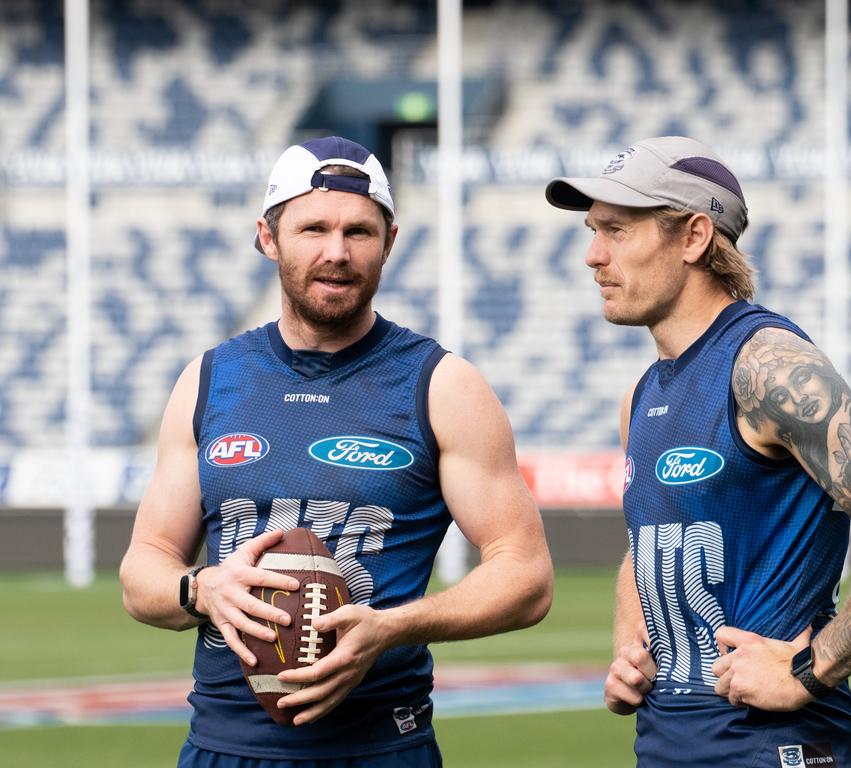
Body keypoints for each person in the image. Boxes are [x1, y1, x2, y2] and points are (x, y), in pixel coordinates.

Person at [120, 135, 554, 767]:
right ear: (268, 238)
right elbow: (142, 571)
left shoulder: (442, 386)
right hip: (223, 748)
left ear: (391, 241)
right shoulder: (209, 379)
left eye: (359, 232)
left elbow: (528, 577)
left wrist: (393, 627)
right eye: (313, 228)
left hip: (380, 748)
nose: (337, 252)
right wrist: (202, 589)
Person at [545, 136, 851, 767]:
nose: (593, 255)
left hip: (776, 747)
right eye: (592, 230)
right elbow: (649, 540)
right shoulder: (639, 395)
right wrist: (629, 648)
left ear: (693, 237)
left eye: (617, 231)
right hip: (666, 745)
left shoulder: (768, 367)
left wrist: (810, 667)